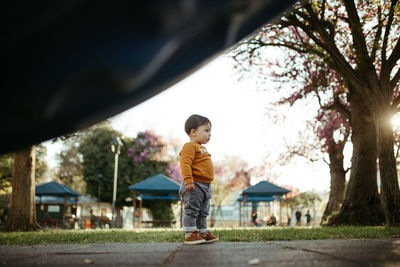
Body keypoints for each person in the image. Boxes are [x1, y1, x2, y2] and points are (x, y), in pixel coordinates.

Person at [179, 114, 219, 245]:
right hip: (194, 184)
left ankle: (202, 231)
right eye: (206, 130)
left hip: (205, 186)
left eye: (210, 131)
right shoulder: (189, 146)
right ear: (193, 132)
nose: (210, 134)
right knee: (192, 209)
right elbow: (185, 164)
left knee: (203, 211)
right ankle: (189, 233)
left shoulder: (202, 148)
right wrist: (188, 180)